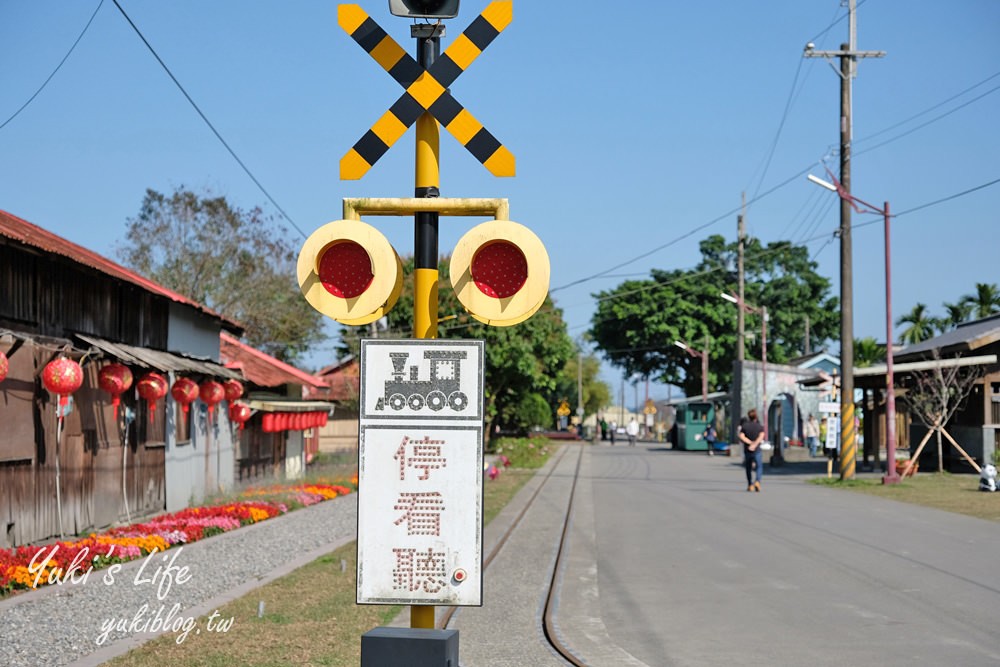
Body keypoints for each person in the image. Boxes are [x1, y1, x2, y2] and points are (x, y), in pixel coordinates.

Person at [739, 409, 766, 492]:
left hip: (747, 450)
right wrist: (755, 444)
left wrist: (750, 443)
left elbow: (741, 436)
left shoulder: (745, 426)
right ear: (756, 417)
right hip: (757, 450)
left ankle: (750, 484)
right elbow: (761, 436)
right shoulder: (759, 426)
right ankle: (757, 481)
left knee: (748, 467)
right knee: (759, 467)